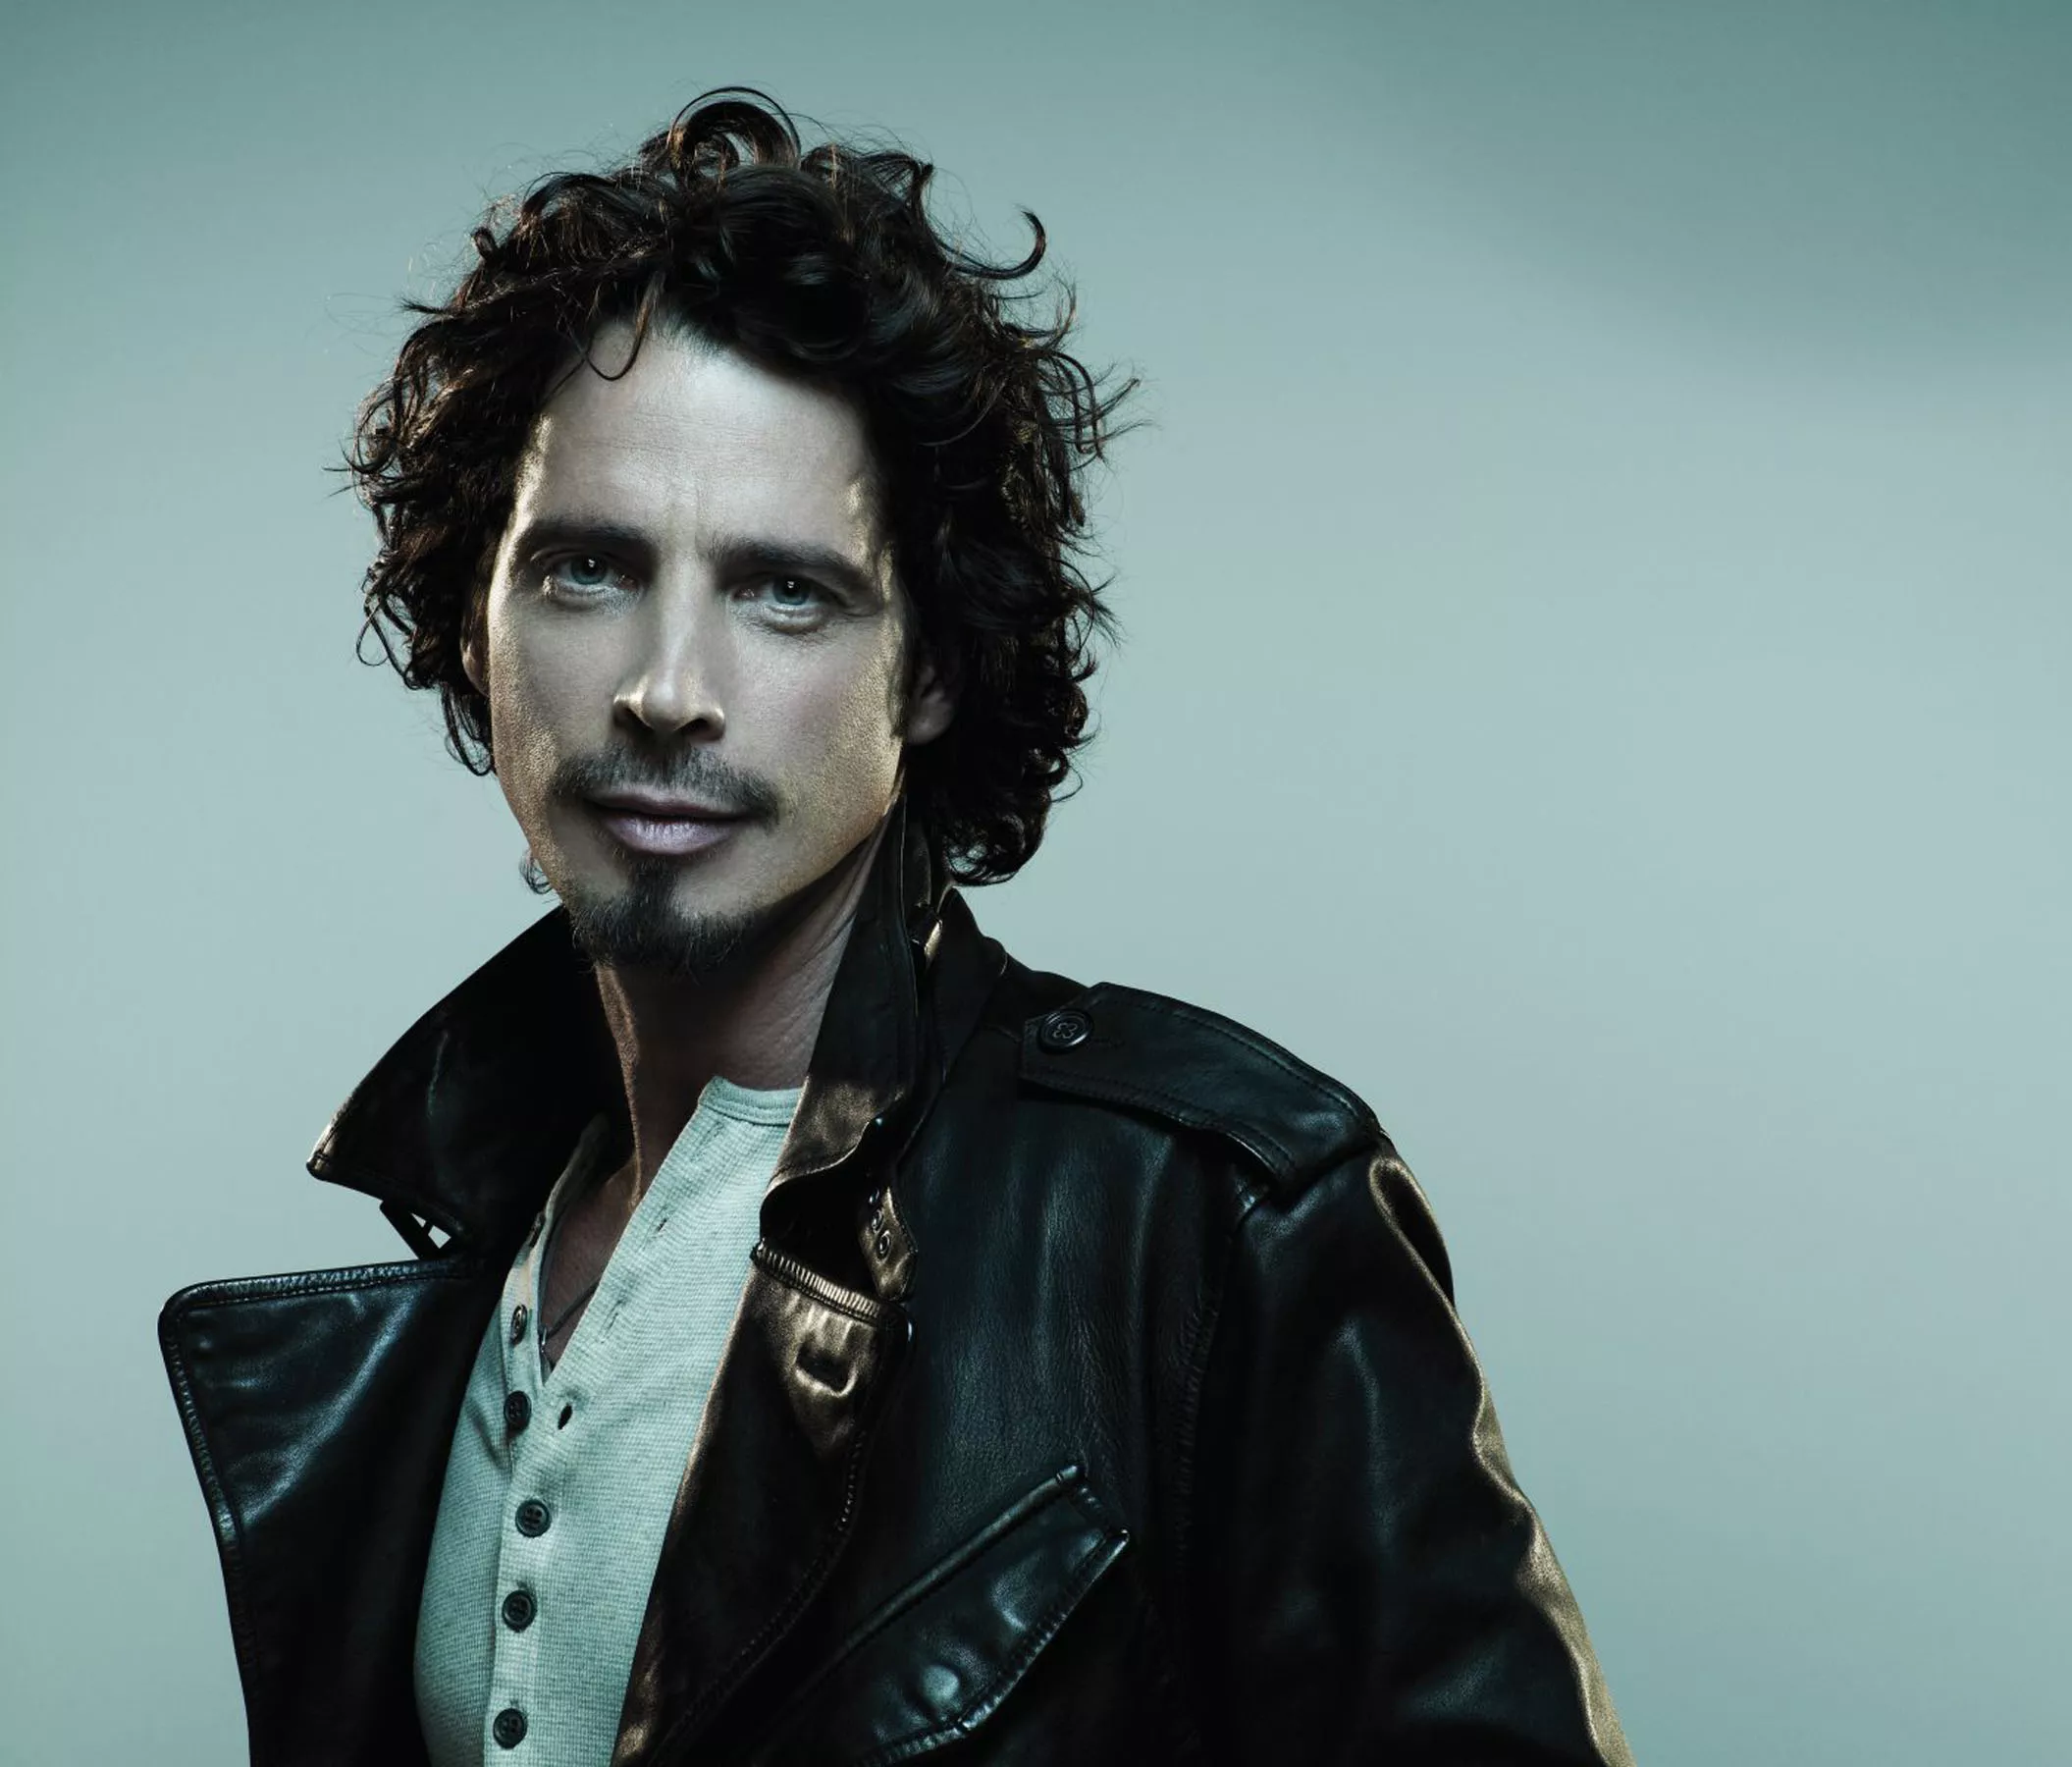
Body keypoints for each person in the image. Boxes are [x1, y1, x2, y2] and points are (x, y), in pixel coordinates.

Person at [158, 91, 1636, 1767]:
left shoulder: (1212, 1214)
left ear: (926, 671)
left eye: (786, 590)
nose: (666, 688)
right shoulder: (469, 1232)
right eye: (587, 570)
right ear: (478, 621)